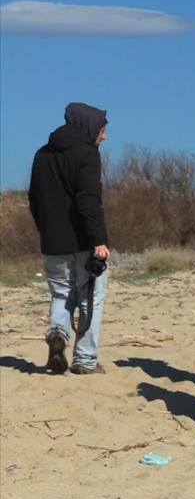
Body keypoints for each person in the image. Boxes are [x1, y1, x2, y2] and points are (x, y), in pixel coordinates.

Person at [28, 102, 111, 375]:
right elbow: (88, 200)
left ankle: (57, 332)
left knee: (61, 293)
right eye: (102, 129)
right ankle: (85, 360)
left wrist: (44, 229)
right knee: (91, 298)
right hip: (83, 242)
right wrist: (98, 240)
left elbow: (33, 198)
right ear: (89, 126)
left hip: (52, 242)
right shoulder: (87, 154)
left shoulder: (42, 154)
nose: (104, 136)